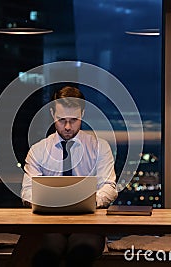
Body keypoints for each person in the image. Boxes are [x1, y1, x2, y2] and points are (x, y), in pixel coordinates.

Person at [21, 86, 118, 267]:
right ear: (52, 113)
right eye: (61, 120)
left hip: (88, 223)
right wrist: (51, 203)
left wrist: (87, 202)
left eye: (74, 120)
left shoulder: (99, 147)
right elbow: (27, 191)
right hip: (48, 224)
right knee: (46, 254)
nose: (67, 127)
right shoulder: (38, 150)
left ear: (83, 113)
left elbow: (109, 187)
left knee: (81, 253)